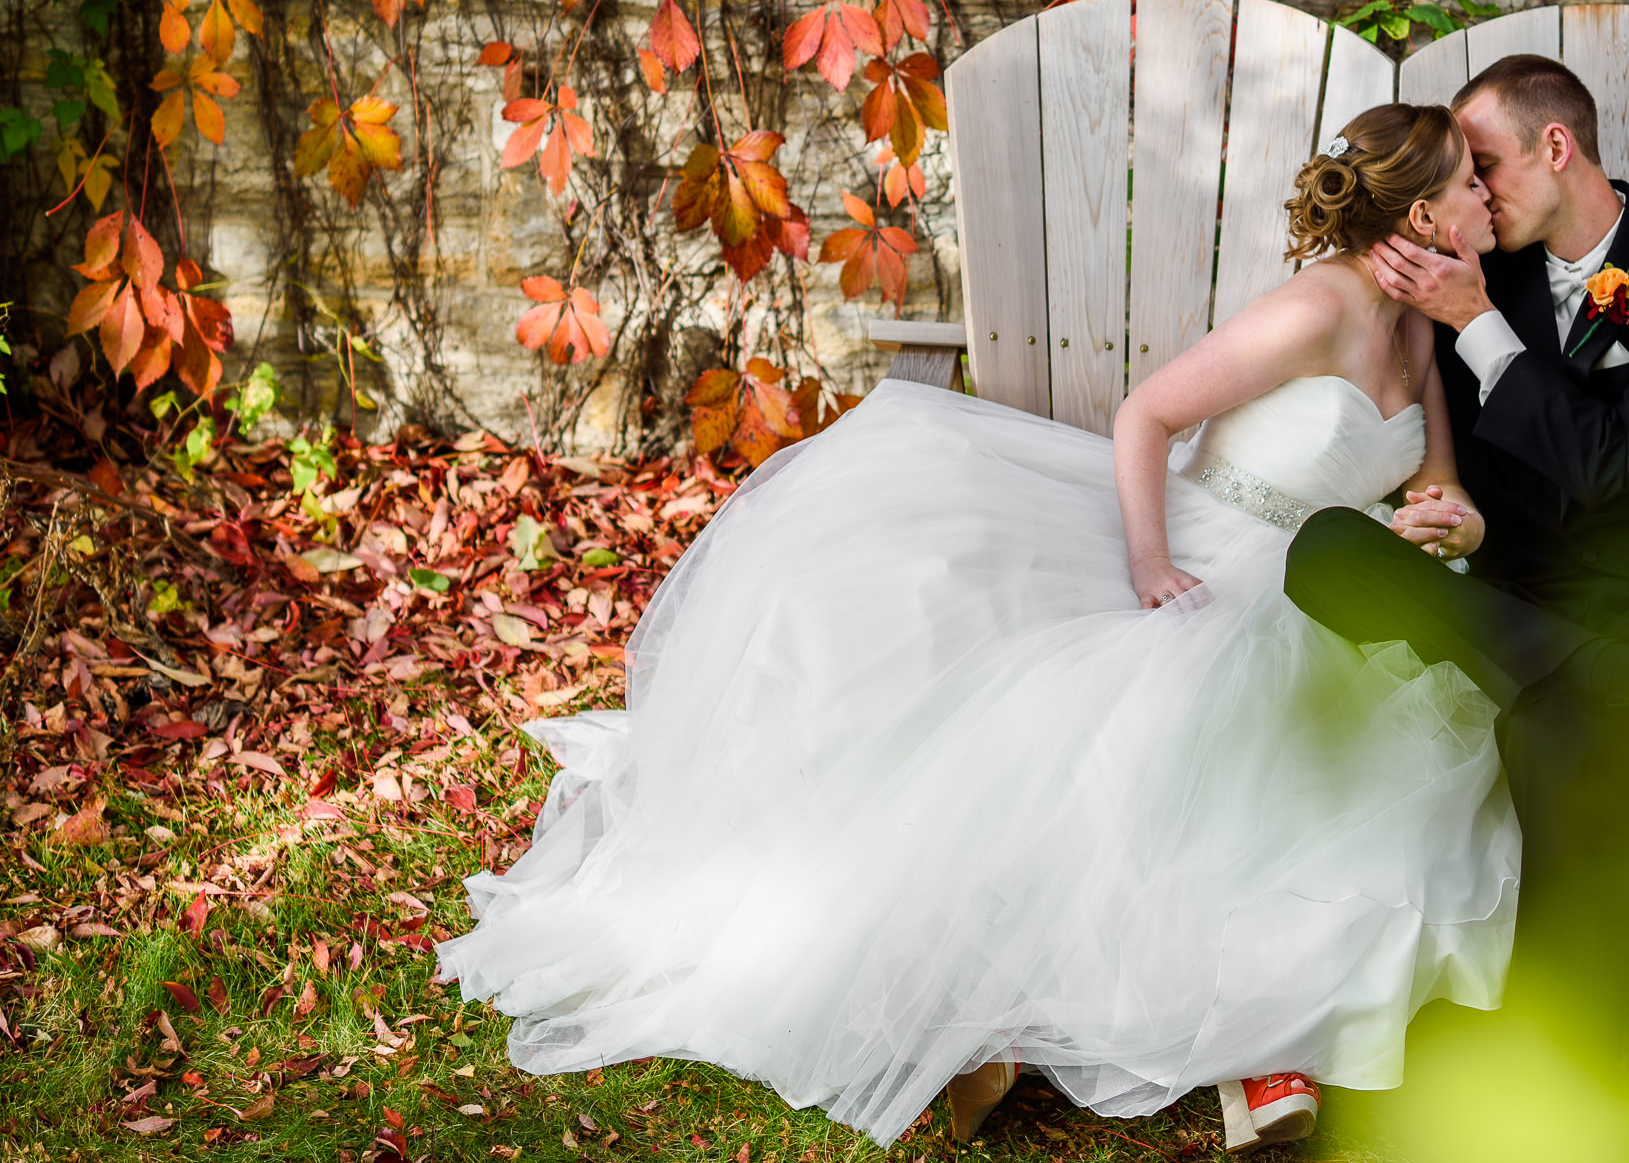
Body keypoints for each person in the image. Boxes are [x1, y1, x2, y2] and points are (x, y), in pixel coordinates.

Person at [435, 103, 1521, 1153]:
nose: (1487, 195)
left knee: (1381, 772)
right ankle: (1018, 1004)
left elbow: (1436, 483)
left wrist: (1448, 514)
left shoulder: (1420, 338)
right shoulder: (1313, 310)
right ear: (1422, 216)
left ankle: (1265, 1034)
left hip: (1326, 589)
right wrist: (1148, 560)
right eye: (1472, 183)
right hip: (1205, 548)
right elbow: (1149, 413)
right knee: (1167, 734)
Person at [1281, 53, 1629, 1035]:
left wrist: (1476, 326)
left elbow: (1608, 463)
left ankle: (1561, 1039)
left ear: (1556, 147)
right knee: (1328, 552)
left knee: (1555, 729)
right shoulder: (1474, 272)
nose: (1470, 189)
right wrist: (1453, 509)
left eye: (1485, 165)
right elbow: (1440, 449)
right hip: (1521, 595)